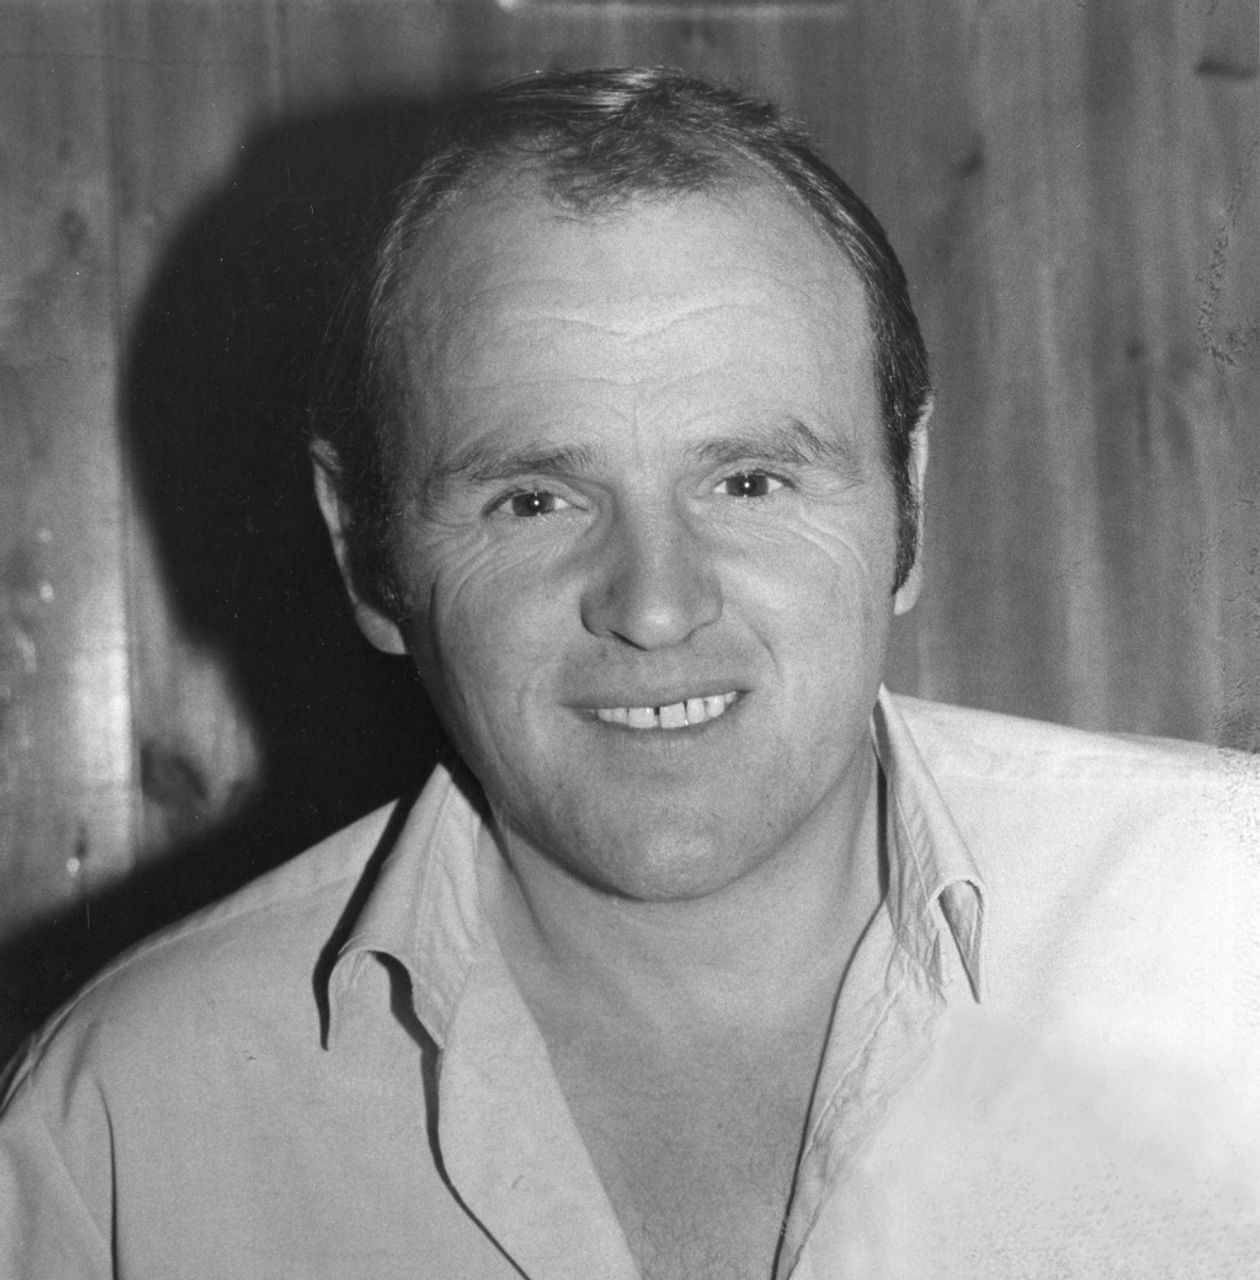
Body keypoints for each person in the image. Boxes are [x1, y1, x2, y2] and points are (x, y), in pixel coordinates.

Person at [2, 66, 1259, 1280]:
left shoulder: (1227, 928)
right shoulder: (119, 1131)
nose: (655, 606)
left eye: (750, 481)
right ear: (368, 552)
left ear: (909, 506)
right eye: (534, 498)